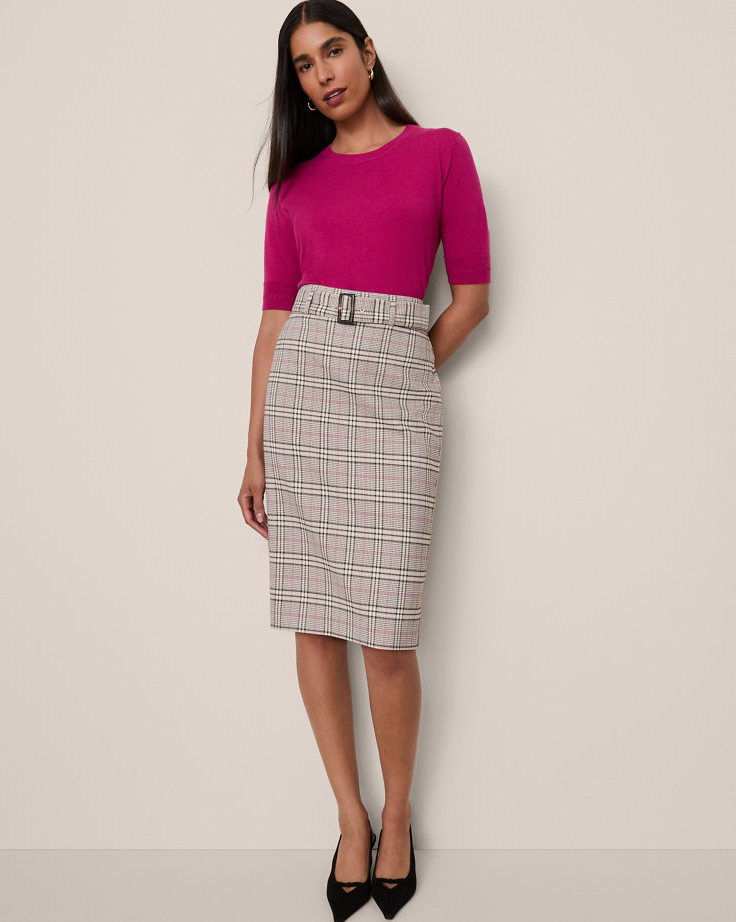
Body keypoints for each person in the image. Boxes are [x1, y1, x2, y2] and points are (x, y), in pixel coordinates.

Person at [238, 2, 491, 918]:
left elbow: (473, 297)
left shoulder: (441, 154)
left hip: (396, 399)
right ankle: (349, 817)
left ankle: (397, 814)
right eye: (304, 66)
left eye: (333, 50)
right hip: (303, 394)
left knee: (387, 634)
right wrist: (254, 449)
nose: (323, 75)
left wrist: (400, 368)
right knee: (314, 622)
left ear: (368, 51)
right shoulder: (293, 187)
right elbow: (274, 322)